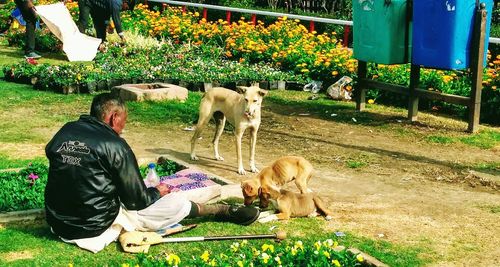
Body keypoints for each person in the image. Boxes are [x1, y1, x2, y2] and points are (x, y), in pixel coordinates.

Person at [45, 93, 259, 251]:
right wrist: (158, 191)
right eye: (123, 122)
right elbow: (136, 201)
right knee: (175, 202)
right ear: (113, 117)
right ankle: (221, 211)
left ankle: (219, 209)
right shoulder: (115, 145)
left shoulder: (66, 131)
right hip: (93, 226)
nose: (122, 128)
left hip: (58, 222)